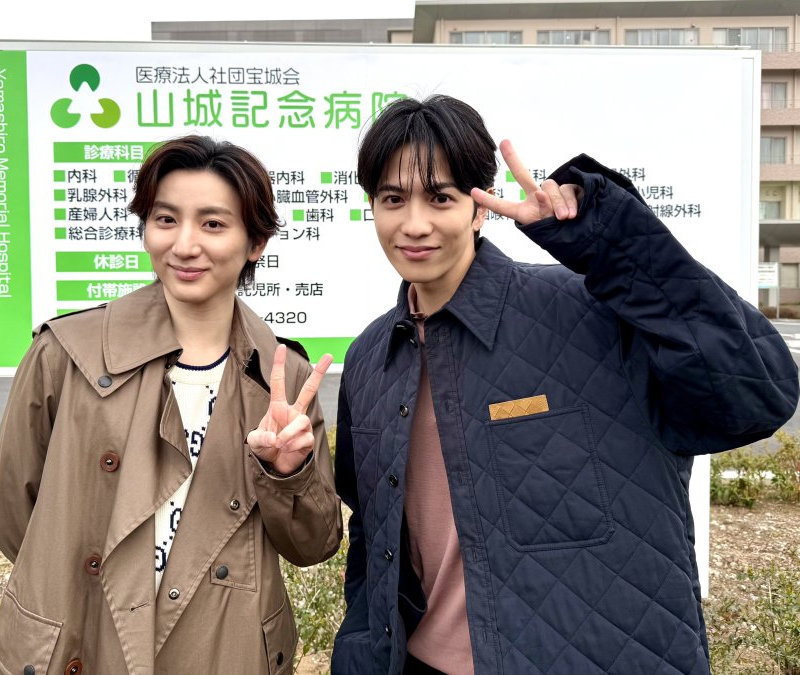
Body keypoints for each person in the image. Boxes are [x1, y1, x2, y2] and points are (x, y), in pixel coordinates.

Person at [331, 95, 798, 675]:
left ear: (479, 209)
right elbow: (372, 537)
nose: (415, 223)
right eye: (393, 199)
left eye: (441, 197)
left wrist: (607, 241)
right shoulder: (371, 356)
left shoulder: (589, 311)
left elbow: (757, 394)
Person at [0, 135, 342, 674]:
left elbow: (313, 544)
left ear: (256, 242)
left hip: (224, 649)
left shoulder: (283, 376)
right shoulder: (66, 352)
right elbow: (13, 510)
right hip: (84, 636)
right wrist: (83, 576)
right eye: (166, 219)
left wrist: (287, 474)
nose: (184, 244)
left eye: (213, 224)